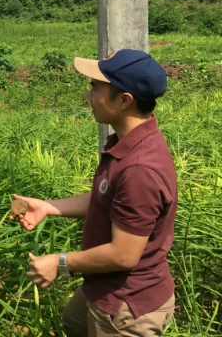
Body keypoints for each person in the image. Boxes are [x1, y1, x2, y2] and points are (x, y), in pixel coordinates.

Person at [12, 49, 177, 336]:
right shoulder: (127, 142)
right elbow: (106, 197)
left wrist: (61, 263)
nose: (88, 96)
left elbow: (123, 254)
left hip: (127, 305)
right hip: (102, 287)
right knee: (73, 323)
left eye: (95, 87)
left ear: (124, 100)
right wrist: (49, 206)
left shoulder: (140, 169)